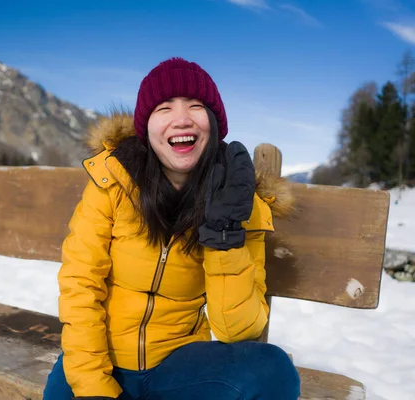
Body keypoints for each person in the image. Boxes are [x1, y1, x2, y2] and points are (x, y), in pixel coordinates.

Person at [43, 57, 300, 400]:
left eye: (195, 106)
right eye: (164, 108)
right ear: (146, 127)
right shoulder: (112, 181)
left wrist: (224, 236)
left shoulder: (238, 200)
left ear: (214, 123)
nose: (181, 119)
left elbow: (238, 329)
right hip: (100, 356)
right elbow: (80, 285)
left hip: (179, 365)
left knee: (273, 370)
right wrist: (94, 388)